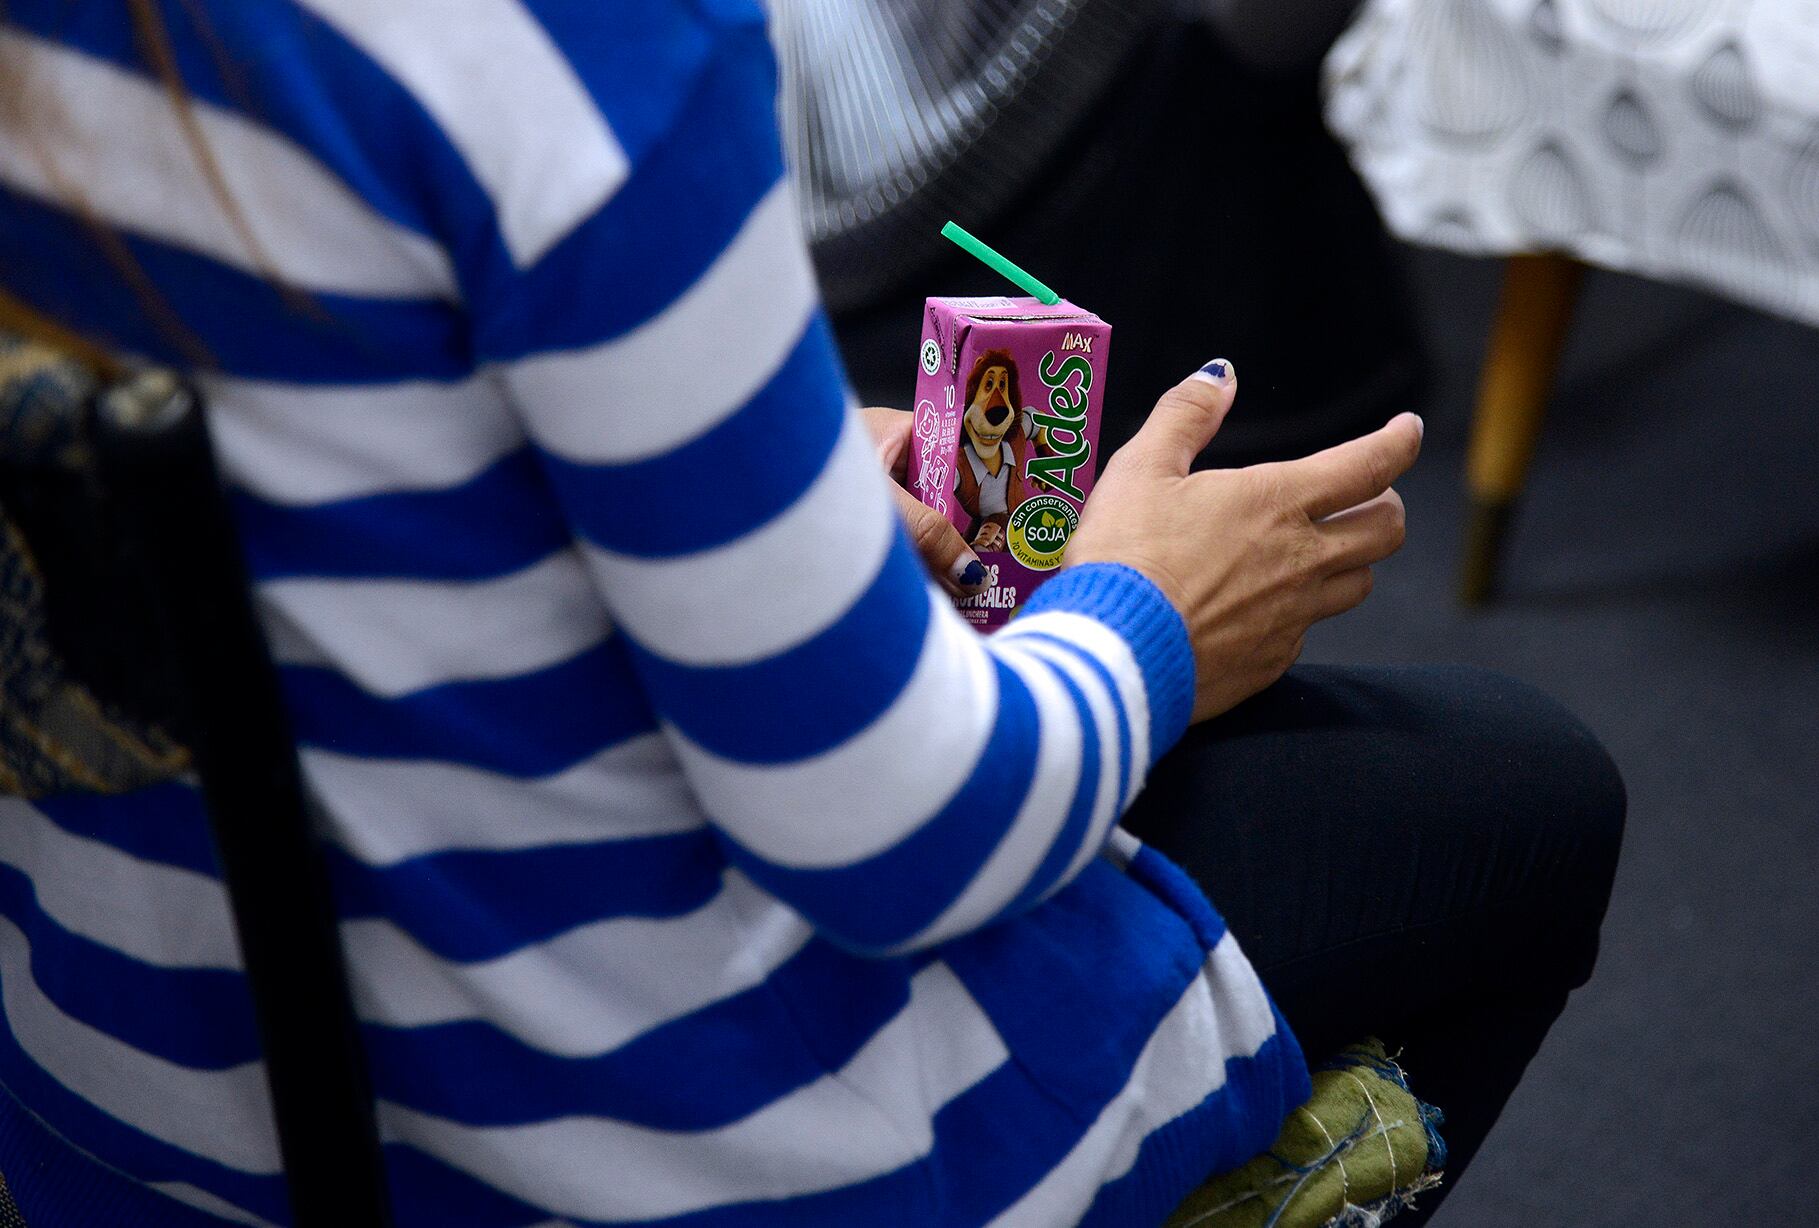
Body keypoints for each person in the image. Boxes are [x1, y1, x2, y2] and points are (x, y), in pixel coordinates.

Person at [0, 4, 1622, 1227]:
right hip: (580, 1148)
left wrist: (734, 477)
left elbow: (315, 488)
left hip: (105, 1096)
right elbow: (902, 843)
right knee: (1520, 794)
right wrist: (1158, 614)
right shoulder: (555, 53)